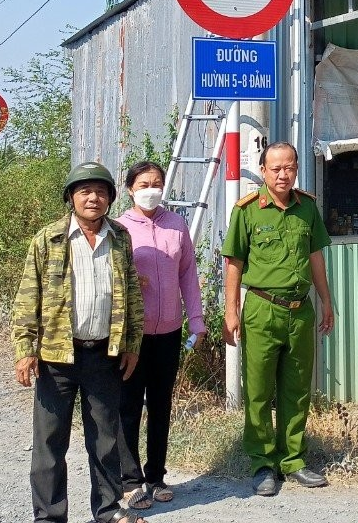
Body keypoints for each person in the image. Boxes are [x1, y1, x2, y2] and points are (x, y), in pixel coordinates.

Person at [11, 161, 144, 523]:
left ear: (110, 199)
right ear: (71, 197)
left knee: (105, 441)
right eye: (85, 191)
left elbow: (132, 293)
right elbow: (27, 297)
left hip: (104, 355)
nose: (93, 198)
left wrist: (132, 345)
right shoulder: (49, 239)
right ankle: (50, 517)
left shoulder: (120, 237)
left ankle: (108, 511)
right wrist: (25, 350)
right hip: (57, 358)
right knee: (50, 445)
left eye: (101, 192)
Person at [222, 142, 334, 496]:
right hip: (261, 309)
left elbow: (315, 256)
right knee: (258, 390)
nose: (283, 174)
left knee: (297, 389)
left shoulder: (307, 208)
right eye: (276, 169)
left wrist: (327, 301)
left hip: (300, 311)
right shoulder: (248, 210)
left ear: (296, 168)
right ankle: (262, 462)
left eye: (289, 167)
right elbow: (234, 262)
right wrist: (231, 310)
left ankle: (294, 459)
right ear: (264, 171)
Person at [115, 161, 206, 509]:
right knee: (128, 406)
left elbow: (188, 276)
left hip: (169, 331)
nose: (150, 189)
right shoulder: (119, 229)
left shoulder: (176, 225)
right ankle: (130, 479)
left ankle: (155, 476)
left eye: (156, 183)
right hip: (132, 335)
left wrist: (196, 322)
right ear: (130, 189)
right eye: (143, 184)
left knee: (161, 405)